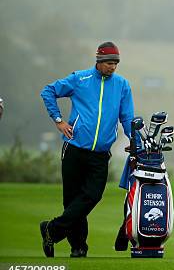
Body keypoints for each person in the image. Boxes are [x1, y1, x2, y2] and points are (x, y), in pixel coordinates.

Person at [39, 41, 134, 258]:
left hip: (100, 154)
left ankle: (51, 229)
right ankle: (78, 247)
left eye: (115, 64)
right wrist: (59, 120)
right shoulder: (79, 79)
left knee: (92, 195)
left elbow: (127, 117)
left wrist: (134, 139)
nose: (112, 67)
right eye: (109, 63)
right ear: (99, 61)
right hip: (74, 149)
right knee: (72, 199)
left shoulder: (122, 85)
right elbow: (48, 91)